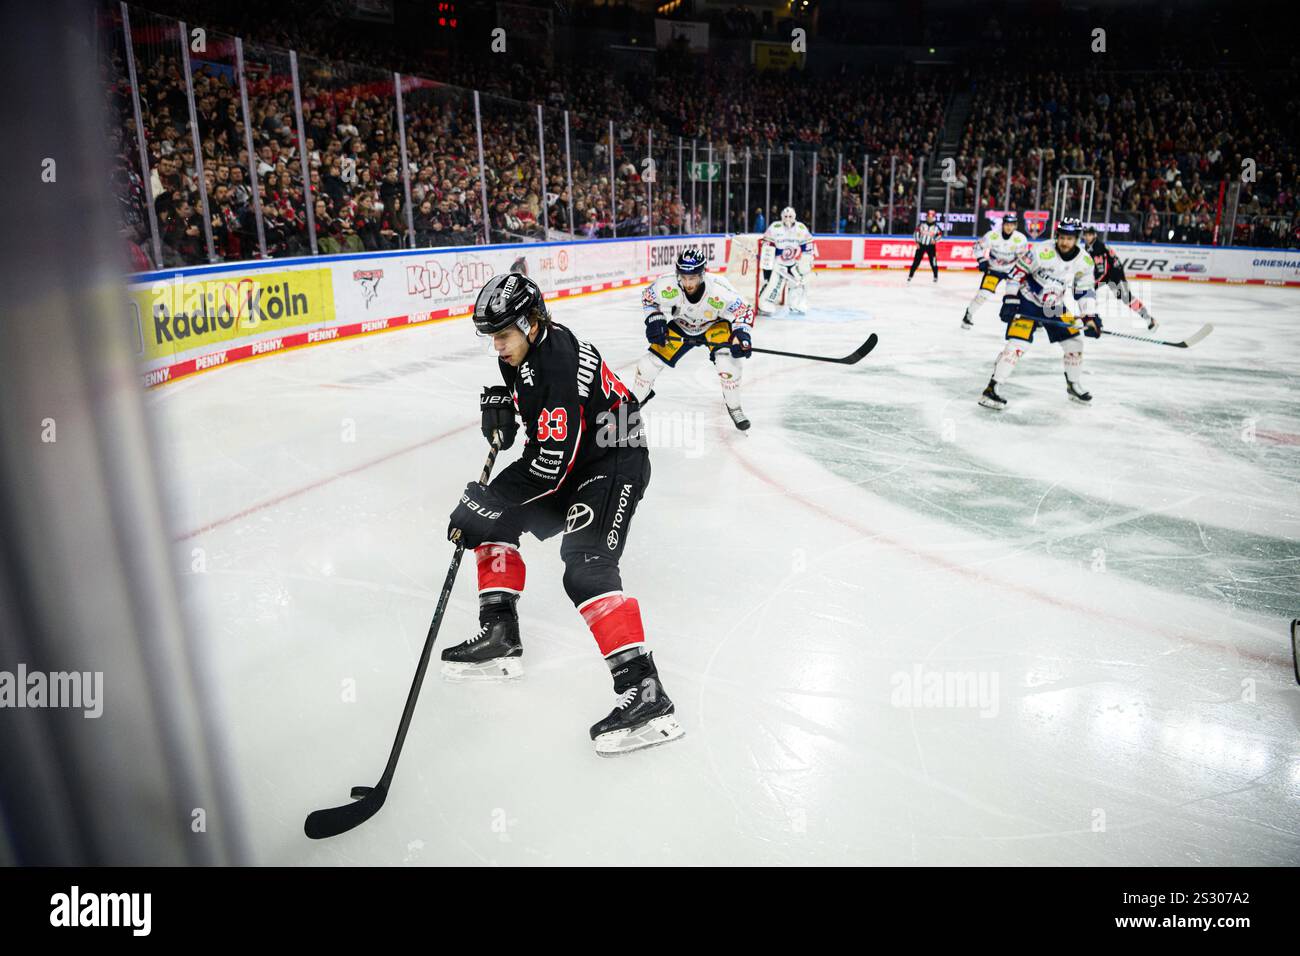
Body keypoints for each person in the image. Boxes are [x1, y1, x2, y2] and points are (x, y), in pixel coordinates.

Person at [442, 273, 683, 756]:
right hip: (579, 456)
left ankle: (647, 691)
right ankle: (500, 632)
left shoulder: (555, 362)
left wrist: (483, 499)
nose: (497, 346)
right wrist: (504, 408)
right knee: (498, 519)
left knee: (585, 565)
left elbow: (548, 467)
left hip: (615, 457)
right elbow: (546, 435)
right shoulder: (528, 351)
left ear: (532, 324)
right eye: (491, 337)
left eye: (503, 335)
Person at [978, 217, 1100, 410]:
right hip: (1027, 301)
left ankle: (1073, 385)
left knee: (1074, 341)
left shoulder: (1084, 261)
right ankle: (992, 389)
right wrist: (1010, 300)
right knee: (1018, 345)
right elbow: (1016, 273)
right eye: (1062, 237)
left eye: (1070, 238)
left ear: (1077, 238)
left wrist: (1090, 316)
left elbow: (1085, 291)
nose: (1065, 242)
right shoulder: (1042, 251)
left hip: (1054, 306)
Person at [629, 248, 755, 430]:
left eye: (693, 277)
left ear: (702, 274)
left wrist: (741, 335)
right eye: (684, 277)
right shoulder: (667, 284)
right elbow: (648, 298)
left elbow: (743, 311)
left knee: (727, 362)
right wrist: (655, 319)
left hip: (714, 325)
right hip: (682, 325)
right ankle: (633, 405)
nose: (688, 283)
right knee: (648, 364)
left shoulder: (720, 288)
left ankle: (734, 407)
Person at [962, 211, 1029, 329]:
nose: (1009, 227)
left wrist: (1023, 271)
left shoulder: (1021, 239)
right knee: (983, 294)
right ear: (1003, 224)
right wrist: (981, 260)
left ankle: (1019, 321)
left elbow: (1023, 258)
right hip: (994, 270)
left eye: (1012, 224)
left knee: (1013, 299)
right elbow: (977, 247)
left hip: (1012, 272)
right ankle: (968, 315)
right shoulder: (992, 235)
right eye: (1007, 224)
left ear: (1015, 226)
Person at [1081, 225, 1157, 330]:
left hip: (1115, 274)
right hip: (1107, 274)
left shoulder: (1098, 247)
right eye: (1085, 235)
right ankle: (1090, 319)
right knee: (1087, 292)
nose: (1087, 237)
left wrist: (1092, 283)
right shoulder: (1089, 246)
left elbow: (1102, 271)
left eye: (1089, 235)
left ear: (1094, 235)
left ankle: (1149, 318)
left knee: (1126, 298)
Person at [759, 206, 816, 314]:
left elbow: (808, 246)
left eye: (790, 216)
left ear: (794, 216)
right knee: (774, 285)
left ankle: (795, 303)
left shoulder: (801, 228)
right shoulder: (775, 227)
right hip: (778, 264)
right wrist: (767, 262)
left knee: (798, 283)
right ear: (781, 217)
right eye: (785, 216)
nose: (788, 218)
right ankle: (765, 304)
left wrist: (806, 261)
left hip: (793, 263)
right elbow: (767, 245)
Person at [908, 209, 941, 282]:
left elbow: (940, 235)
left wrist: (935, 240)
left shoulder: (936, 227)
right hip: (921, 245)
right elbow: (916, 233)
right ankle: (910, 276)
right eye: (928, 217)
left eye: (931, 217)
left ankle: (935, 277)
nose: (930, 218)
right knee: (916, 262)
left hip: (931, 247)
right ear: (926, 217)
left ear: (934, 218)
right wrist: (917, 242)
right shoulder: (921, 225)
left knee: (933, 262)